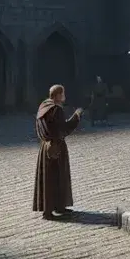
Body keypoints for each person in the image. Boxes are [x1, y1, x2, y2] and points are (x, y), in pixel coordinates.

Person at [33, 84, 82, 219]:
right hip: (56, 146)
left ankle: (58, 206)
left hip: (45, 147)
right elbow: (63, 129)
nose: (64, 95)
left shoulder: (44, 106)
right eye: (63, 93)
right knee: (55, 177)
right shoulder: (56, 110)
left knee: (52, 177)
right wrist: (76, 117)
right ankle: (49, 211)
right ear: (58, 95)